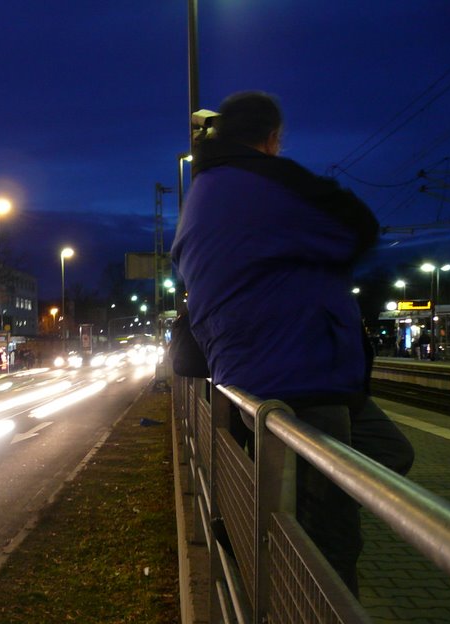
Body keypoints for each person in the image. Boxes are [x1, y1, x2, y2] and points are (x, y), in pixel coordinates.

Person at [171, 91, 414, 596]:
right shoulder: (264, 179)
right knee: (331, 541)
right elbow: (357, 225)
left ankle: (257, 537)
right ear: (272, 138)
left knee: (382, 454)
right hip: (301, 374)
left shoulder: (205, 193)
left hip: (258, 372)